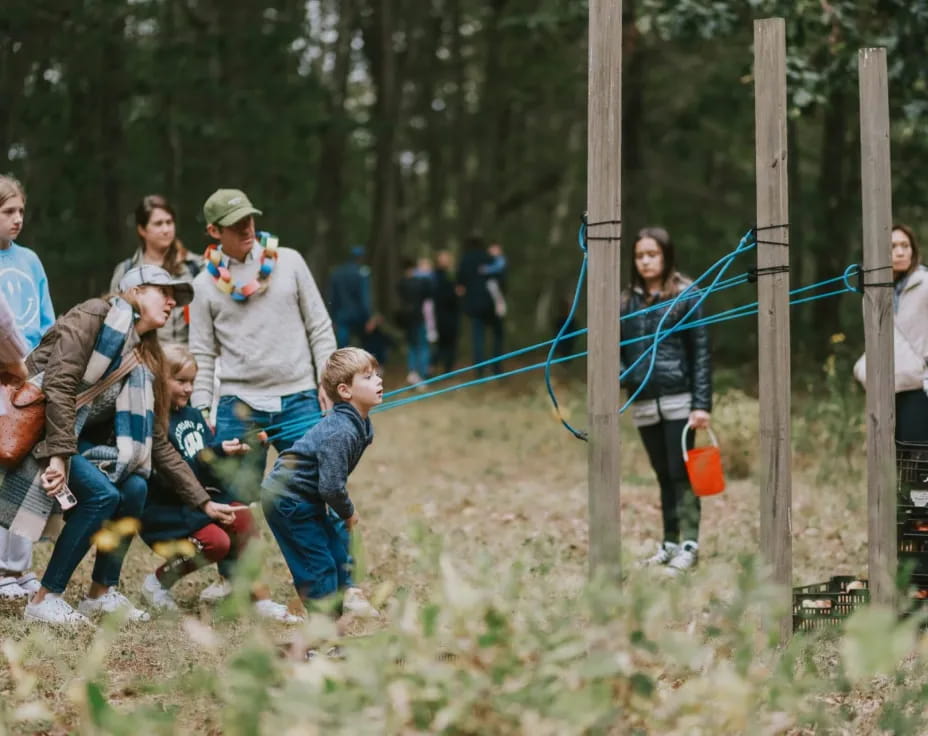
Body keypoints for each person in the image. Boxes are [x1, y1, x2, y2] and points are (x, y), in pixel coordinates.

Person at [0, 265, 237, 625]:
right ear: (136, 290)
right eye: (164, 292)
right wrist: (60, 458)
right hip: (45, 432)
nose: (172, 301)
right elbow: (60, 386)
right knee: (101, 496)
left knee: (135, 486)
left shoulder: (144, 355)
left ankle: (101, 593)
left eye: (176, 296)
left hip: (79, 441)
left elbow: (156, 439)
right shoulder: (93, 316)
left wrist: (203, 501)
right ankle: (45, 598)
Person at [188, 188, 338, 500]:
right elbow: (201, 352)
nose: (246, 228)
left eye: (249, 219)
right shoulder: (203, 285)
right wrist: (201, 409)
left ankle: (338, 552)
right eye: (235, 224)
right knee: (232, 500)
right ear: (214, 231)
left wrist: (330, 381)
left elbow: (319, 326)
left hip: (298, 397)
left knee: (320, 491)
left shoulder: (290, 261)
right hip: (238, 404)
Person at [139, 344, 299, 622]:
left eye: (192, 382)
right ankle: (156, 583)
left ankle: (260, 599)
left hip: (201, 499)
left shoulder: (191, 414)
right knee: (216, 543)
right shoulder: (154, 421)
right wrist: (208, 464)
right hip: (169, 508)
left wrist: (223, 451)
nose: (189, 389)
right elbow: (174, 473)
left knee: (244, 518)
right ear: (159, 380)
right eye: (180, 381)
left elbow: (203, 459)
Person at [261, 348, 381, 616]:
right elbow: (330, 487)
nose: (379, 381)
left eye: (376, 375)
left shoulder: (359, 423)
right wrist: (348, 512)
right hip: (287, 500)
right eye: (368, 377)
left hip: (306, 496)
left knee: (335, 552)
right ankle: (321, 635)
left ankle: (335, 614)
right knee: (318, 565)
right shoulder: (340, 432)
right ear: (345, 391)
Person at [621, 227, 712, 575]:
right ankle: (669, 542)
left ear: (666, 256)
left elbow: (701, 353)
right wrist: (625, 375)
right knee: (661, 473)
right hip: (644, 401)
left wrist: (702, 404)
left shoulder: (688, 295)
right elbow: (615, 349)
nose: (645, 261)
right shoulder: (625, 300)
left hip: (680, 400)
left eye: (652, 254)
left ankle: (690, 544)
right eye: (640, 255)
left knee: (681, 473)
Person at [0, 175, 55, 601]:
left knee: (31, 469)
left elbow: (48, 323)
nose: (17, 220)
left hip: (31, 379)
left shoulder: (31, 261)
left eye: (20, 211)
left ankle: (20, 568)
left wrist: (44, 370)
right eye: (7, 213)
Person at [853, 224, 928, 443]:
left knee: (918, 467)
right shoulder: (873, 292)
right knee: (889, 466)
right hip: (883, 389)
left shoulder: (925, 285)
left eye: (905, 245)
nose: (900, 251)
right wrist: (863, 369)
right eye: (893, 246)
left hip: (918, 389)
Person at [110, 195, 202, 346]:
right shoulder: (126, 271)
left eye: (169, 222)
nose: (166, 229)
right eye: (158, 224)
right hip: (144, 360)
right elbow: (115, 322)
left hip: (188, 361)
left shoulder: (195, 266)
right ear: (142, 229)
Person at [456, 235, 505, 377]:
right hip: (491, 303)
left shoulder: (465, 261)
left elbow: (460, 285)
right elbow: (500, 278)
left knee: (478, 337)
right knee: (497, 335)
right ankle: (497, 368)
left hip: (474, 305)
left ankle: (479, 370)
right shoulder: (489, 258)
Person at [395, 258, 434, 385]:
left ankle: (412, 372)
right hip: (418, 317)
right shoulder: (421, 282)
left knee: (412, 347)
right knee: (422, 347)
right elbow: (429, 294)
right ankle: (422, 375)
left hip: (406, 319)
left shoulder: (401, 283)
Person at [328, 245, 373, 348]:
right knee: (362, 344)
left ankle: (343, 362)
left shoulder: (337, 273)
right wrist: (368, 317)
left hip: (341, 314)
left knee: (342, 345)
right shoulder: (362, 273)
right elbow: (364, 297)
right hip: (359, 315)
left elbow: (332, 297)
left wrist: (332, 317)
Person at [432, 250, 460, 376]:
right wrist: (455, 293)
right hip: (441, 314)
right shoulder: (437, 277)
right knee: (442, 343)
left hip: (450, 314)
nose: (447, 261)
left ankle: (448, 369)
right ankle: (432, 367)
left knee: (449, 342)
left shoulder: (449, 275)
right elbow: (442, 296)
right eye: (444, 259)